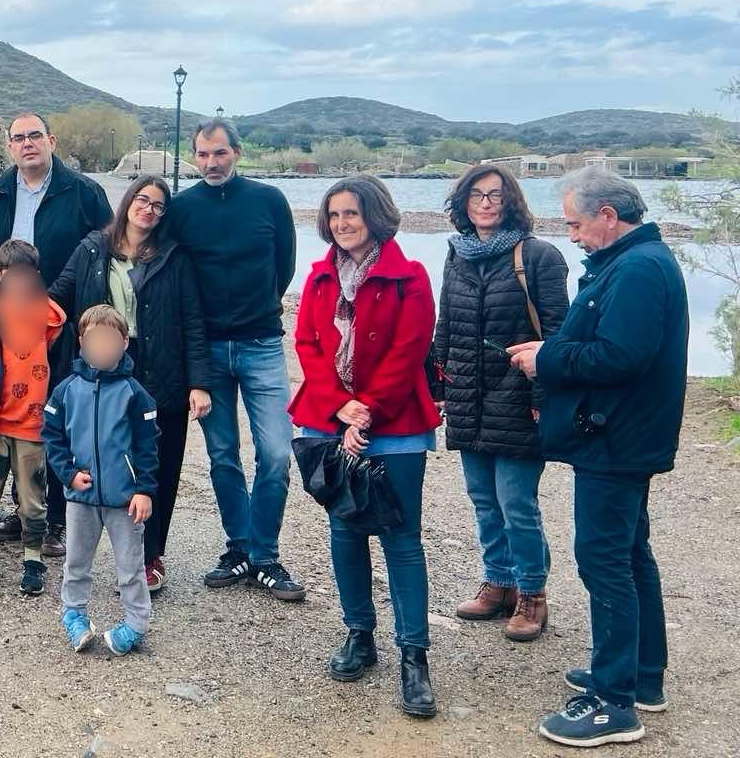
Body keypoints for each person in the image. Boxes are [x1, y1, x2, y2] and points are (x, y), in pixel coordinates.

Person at [509, 167, 687, 748]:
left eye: (575, 224)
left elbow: (621, 356)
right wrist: (553, 350)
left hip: (617, 440)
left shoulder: (638, 268)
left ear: (608, 216)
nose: (573, 235)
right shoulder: (635, 261)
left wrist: (546, 359)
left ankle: (614, 704)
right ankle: (641, 677)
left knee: (604, 558)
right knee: (630, 554)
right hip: (623, 435)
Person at [289, 175, 440, 720]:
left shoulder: (410, 277)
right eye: (334, 215)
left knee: (402, 536)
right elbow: (307, 343)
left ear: (375, 215)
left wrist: (367, 409)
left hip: (395, 421)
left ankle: (414, 655)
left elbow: (409, 349)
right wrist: (340, 407)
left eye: (351, 213)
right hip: (330, 417)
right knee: (345, 528)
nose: (341, 224)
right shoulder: (319, 277)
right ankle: (360, 634)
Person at [47, 176, 211, 593]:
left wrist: (199, 382)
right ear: (128, 201)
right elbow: (58, 295)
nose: (148, 209)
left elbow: (193, 320)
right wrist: (10, 303)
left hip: (160, 366)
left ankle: (151, 553)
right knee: (97, 452)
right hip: (102, 364)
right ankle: (82, 546)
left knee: (160, 458)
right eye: (143, 199)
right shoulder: (92, 248)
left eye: (158, 205)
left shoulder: (174, 257)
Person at [431, 163, 568, 642]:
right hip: (468, 393)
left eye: (495, 195)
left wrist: (542, 396)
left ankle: (532, 593)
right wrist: (439, 385)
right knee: (484, 500)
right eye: (476, 195)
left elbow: (557, 335)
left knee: (516, 503)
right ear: (463, 203)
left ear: (511, 201)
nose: (486, 203)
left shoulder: (539, 255)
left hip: (517, 395)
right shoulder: (457, 254)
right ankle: (499, 582)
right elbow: (446, 324)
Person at [169, 118, 303, 601]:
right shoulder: (182, 208)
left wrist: (258, 306)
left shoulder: (269, 201)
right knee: (223, 455)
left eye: (219, 153)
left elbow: (284, 266)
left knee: (276, 453)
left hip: (261, 342)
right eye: (203, 155)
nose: (211, 163)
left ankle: (265, 555)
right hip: (206, 348)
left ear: (237, 153)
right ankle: (240, 548)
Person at [0, 111, 112, 556]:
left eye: (35, 135)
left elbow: (106, 250)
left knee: (57, 416)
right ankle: (24, 511)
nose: (27, 143)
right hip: (9, 323)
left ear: (51, 141)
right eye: (19, 138)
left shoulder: (84, 192)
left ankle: (56, 519)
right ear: (10, 146)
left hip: (62, 323)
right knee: (16, 411)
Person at [44, 304, 160, 657]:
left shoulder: (135, 394)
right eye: (94, 340)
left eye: (110, 340)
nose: (102, 348)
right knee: (76, 563)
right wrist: (68, 474)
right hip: (80, 498)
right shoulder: (66, 390)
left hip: (124, 500)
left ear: (124, 343)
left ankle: (136, 624)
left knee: (130, 567)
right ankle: (74, 615)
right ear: (81, 342)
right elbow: (52, 436)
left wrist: (144, 490)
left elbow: (148, 446)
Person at [0, 240, 68, 595]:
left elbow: (59, 315)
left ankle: (33, 557)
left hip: (33, 428)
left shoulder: (44, 316)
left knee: (33, 499)